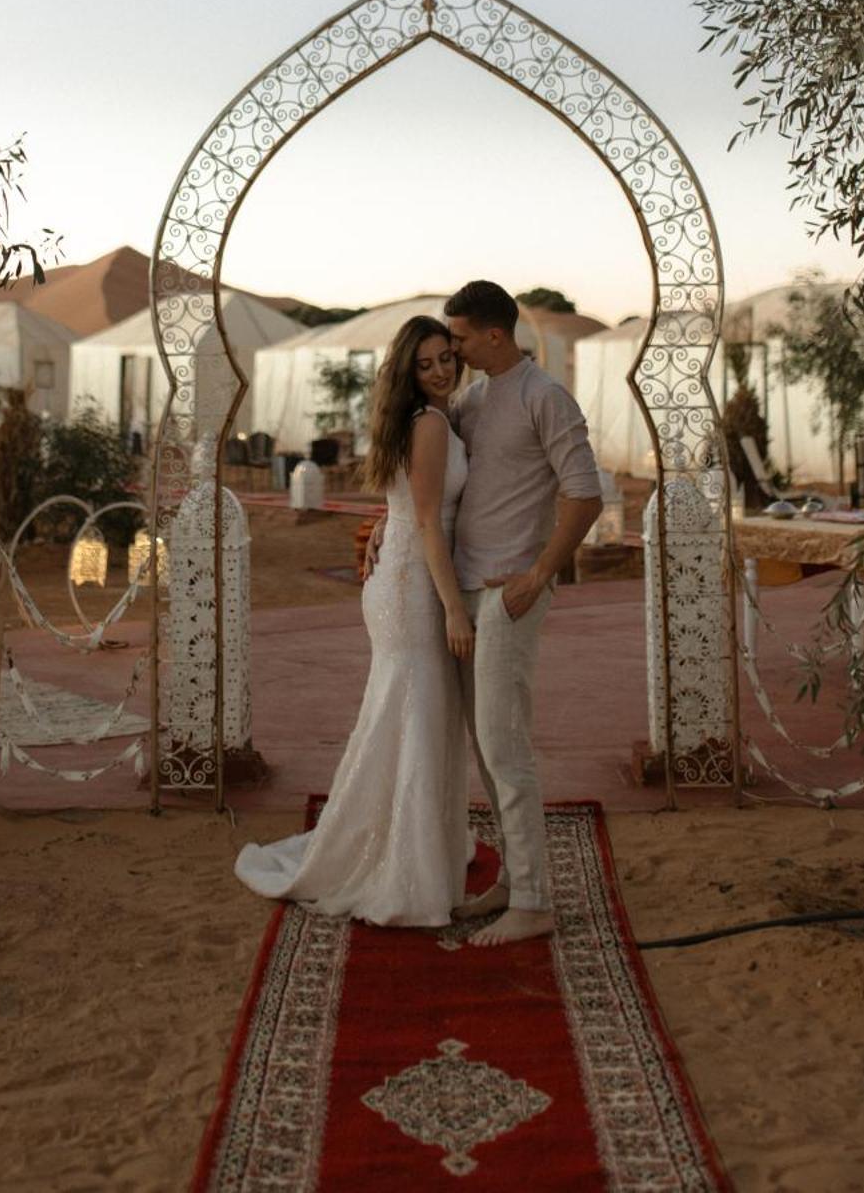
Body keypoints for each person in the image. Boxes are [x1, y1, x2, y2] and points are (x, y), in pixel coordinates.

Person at [233, 316, 474, 927]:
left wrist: (381, 534)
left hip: (403, 575)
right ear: (409, 373)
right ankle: (404, 865)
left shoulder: (420, 419)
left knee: (408, 712)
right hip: (415, 587)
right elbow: (425, 520)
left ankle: (413, 848)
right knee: (416, 713)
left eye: (447, 357)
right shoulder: (432, 424)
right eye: (427, 364)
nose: (442, 370)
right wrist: (453, 607)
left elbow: (403, 507)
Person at [444, 279, 602, 946]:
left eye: (457, 337)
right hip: (464, 594)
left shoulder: (546, 396)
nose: (450, 349)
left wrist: (539, 573)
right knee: (485, 746)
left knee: (506, 748)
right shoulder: (472, 402)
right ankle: (515, 879)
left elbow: (585, 495)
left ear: (493, 335)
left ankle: (535, 900)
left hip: (510, 595)